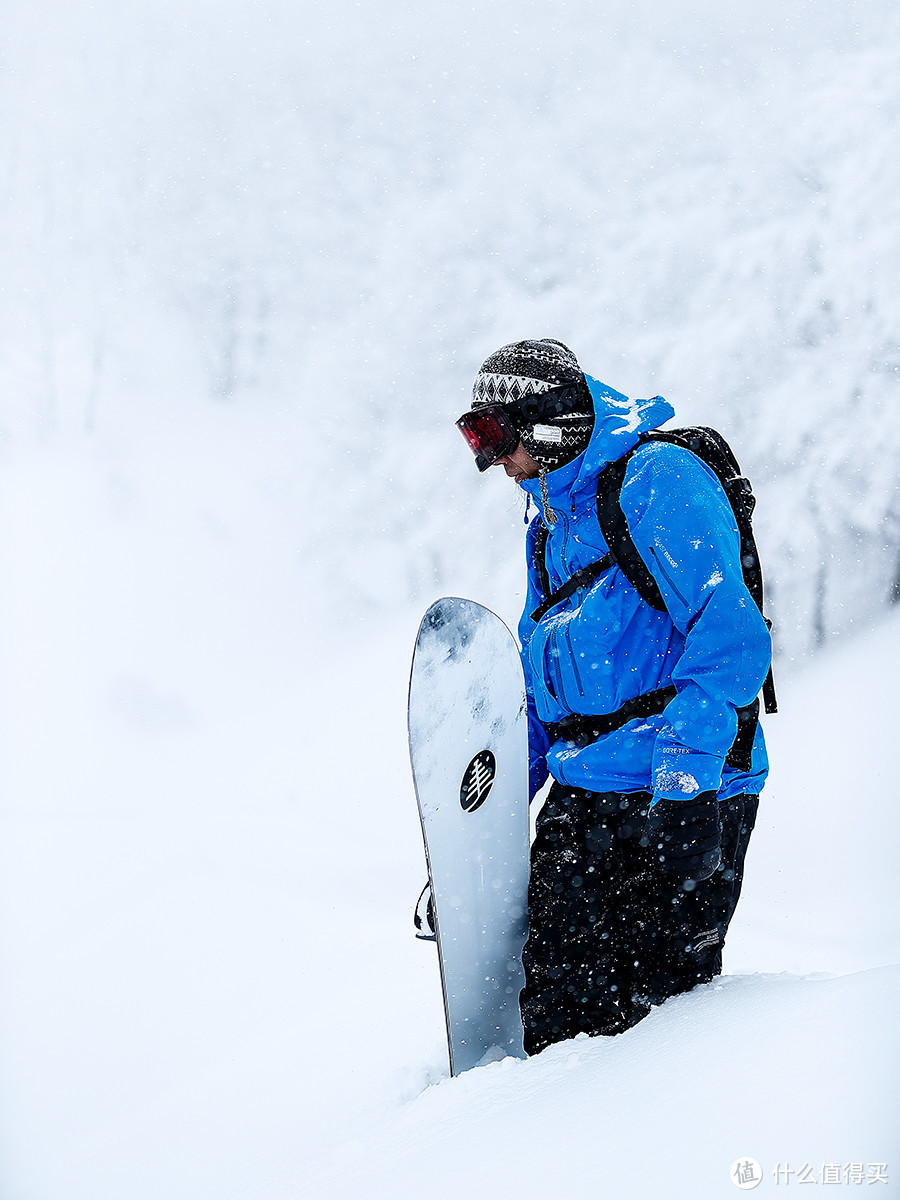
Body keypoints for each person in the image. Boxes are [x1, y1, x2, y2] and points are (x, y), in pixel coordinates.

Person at [455, 338, 772, 1054]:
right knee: (557, 1021)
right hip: (587, 789)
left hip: (681, 789)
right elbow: (547, 685)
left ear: (547, 423)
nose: (489, 460)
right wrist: (495, 802)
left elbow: (729, 637)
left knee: (649, 1032)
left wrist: (686, 784)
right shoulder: (549, 526)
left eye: (495, 436)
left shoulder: (659, 481)